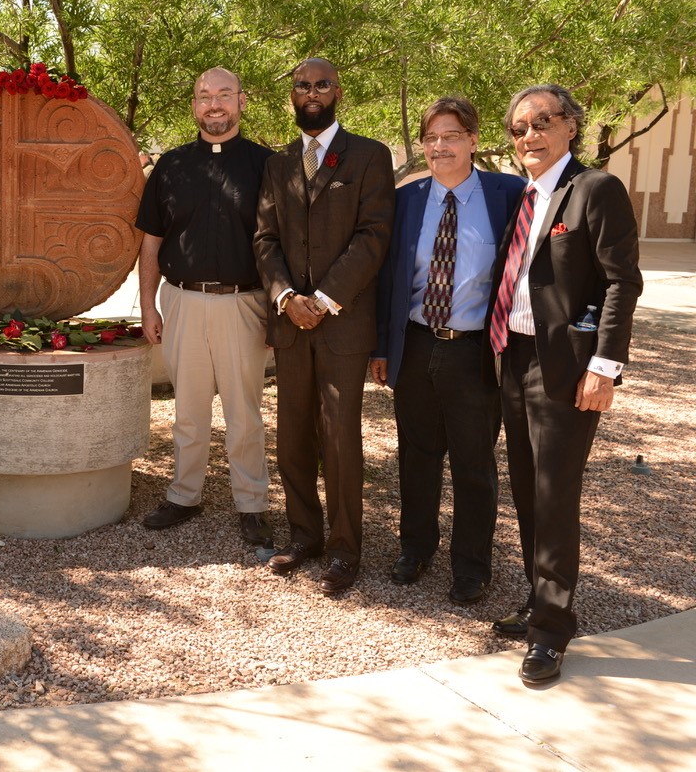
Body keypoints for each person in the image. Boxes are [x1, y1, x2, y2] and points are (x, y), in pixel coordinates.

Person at [487, 84, 642, 686]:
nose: (530, 135)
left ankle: (551, 631)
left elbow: (621, 282)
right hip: (514, 356)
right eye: (519, 128)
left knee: (554, 494)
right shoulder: (526, 195)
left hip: (567, 368)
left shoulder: (595, 189)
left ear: (571, 126)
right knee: (527, 489)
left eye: (542, 122)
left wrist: (604, 366)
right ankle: (537, 597)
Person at [369, 97, 526, 604]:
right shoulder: (406, 200)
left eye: (452, 135)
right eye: (431, 137)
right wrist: (381, 347)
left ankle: (472, 566)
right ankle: (415, 549)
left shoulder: (509, 194)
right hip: (416, 343)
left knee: (473, 463)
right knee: (416, 455)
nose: (440, 146)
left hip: (475, 352)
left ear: (474, 140)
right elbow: (387, 280)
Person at [254, 57, 395, 593]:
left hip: (343, 324)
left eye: (320, 85)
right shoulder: (278, 164)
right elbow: (265, 239)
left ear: (338, 92)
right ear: (292, 95)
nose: (310, 92)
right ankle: (304, 536)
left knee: (339, 439)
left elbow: (373, 236)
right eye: (301, 86)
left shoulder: (369, 156)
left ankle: (343, 550)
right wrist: (286, 297)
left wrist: (323, 298)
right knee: (292, 436)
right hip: (290, 324)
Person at [135, 67, 275, 547]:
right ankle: (183, 495)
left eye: (223, 95)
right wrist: (148, 306)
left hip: (245, 304)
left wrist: (277, 311)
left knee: (245, 414)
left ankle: (252, 503)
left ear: (241, 101)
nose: (214, 104)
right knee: (188, 411)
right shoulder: (170, 166)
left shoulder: (267, 166)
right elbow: (151, 241)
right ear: (194, 105)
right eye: (204, 96)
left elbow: (282, 244)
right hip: (182, 301)